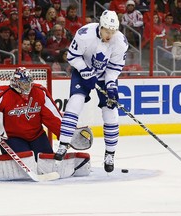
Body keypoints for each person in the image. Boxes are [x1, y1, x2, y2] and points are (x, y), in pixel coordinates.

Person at [54, 10, 129, 173]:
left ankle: (110, 154)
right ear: (101, 26)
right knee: (75, 103)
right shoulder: (84, 34)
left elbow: (114, 68)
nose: (109, 35)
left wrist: (110, 85)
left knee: (111, 112)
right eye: (106, 31)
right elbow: (72, 56)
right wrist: (84, 70)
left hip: (104, 76)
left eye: (112, 31)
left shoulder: (120, 42)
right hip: (83, 72)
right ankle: (63, 144)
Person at [0, 67, 62, 161]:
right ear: (15, 83)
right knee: (26, 160)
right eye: (23, 84)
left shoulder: (39, 92)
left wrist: (65, 136)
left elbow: (52, 117)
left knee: (47, 160)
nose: (27, 87)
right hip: (12, 137)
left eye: (28, 83)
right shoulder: (0, 93)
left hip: (37, 136)